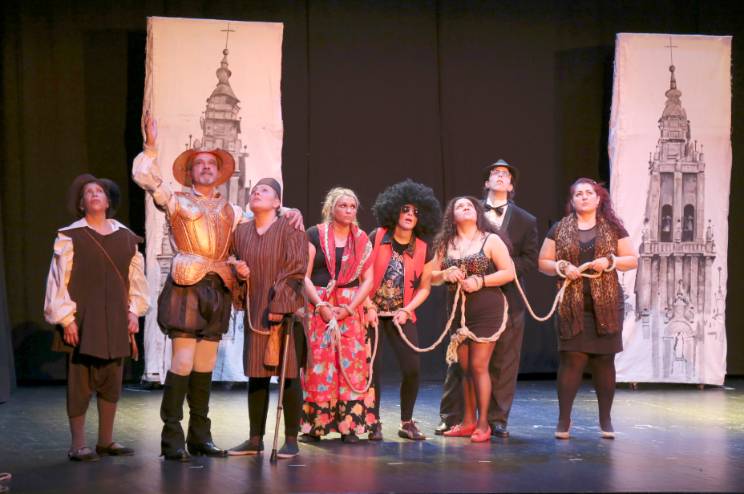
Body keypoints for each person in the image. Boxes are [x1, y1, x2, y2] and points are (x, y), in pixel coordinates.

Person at [133, 115, 303, 461]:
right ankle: (172, 438)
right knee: (183, 360)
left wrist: (290, 209)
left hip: (218, 288)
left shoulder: (232, 210)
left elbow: (264, 216)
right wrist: (150, 147)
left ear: (220, 173)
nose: (207, 168)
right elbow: (145, 178)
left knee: (205, 364)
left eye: (212, 164)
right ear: (190, 173)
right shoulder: (176, 200)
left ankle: (200, 436)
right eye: (200, 164)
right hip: (187, 285)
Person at [44, 174, 149, 461]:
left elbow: (136, 279)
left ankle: (106, 441)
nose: (94, 194)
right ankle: (78, 445)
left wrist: (134, 312)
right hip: (82, 320)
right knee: (80, 383)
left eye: (99, 191)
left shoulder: (126, 237)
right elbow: (58, 280)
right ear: (81, 203)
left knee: (111, 381)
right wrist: (66, 319)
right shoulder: (70, 236)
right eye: (88, 192)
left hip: (116, 318)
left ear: (108, 201)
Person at [436, 159, 538, 438]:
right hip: (466, 302)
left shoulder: (526, 220)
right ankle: (454, 416)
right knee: (461, 364)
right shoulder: (468, 212)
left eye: (506, 174)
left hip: (506, 298)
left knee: (502, 362)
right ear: (486, 182)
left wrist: (489, 273)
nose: (501, 176)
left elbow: (529, 260)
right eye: (495, 173)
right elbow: (433, 269)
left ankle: (495, 419)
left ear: (512, 185)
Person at [537, 178, 637, 439]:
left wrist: (610, 261)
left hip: (607, 304)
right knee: (572, 359)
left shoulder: (613, 227)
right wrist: (561, 266)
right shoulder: (560, 228)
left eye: (588, 193)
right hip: (572, 304)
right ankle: (564, 420)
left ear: (598, 198)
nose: (583, 197)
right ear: (572, 201)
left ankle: (606, 420)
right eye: (578, 194)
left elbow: (631, 260)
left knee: (604, 361)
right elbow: (543, 262)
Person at [228, 178, 308, 459]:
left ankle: (291, 439)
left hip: (286, 311)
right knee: (256, 374)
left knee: (289, 375)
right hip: (256, 310)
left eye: (264, 190)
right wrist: (238, 271)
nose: (256, 193)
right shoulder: (241, 232)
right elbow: (233, 261)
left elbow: (296, 269)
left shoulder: (291, 227)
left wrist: (280, 305)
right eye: (254, 190)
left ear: (277, 202)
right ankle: (255, 439)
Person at [431, 197, 515, 442]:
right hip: (458, 311)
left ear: (478, 212)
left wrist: (481, 280)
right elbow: (430, 276)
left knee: (478, 366)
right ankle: (468, 422)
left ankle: (483, 424)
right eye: (459, 206)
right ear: (452, 215)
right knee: (464, 368)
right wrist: (444, 274)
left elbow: (508, 272)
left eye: (469, 205)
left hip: (486, 309)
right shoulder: (445, 243)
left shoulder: (491, 240)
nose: (465, 207)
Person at [365, 180, 441, 441]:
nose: (410, 215)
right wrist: (368, 306)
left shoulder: (423, 248)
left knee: (412, 368)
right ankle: (373, 422)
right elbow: (362, 275)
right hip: (371, 314)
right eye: (405, 209)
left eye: (416, 212)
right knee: (372, 369)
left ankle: (406, 422)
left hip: (401, 315)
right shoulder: (377, 236)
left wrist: (407, 310)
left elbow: (425, 287)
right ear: (394, 210)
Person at [299, 187, 375, 444]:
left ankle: (349, 426)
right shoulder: (314, 234)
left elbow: (368, 280)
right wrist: (321, 305)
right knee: (319, 365)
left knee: (351, 365)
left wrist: (350, 307)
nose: (348, 210)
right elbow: (304, 275)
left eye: (352, 206)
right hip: (320, 304)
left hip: (350, 307)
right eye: (343, 205)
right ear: (331, 208)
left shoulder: (362, 239)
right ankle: (315, 427)